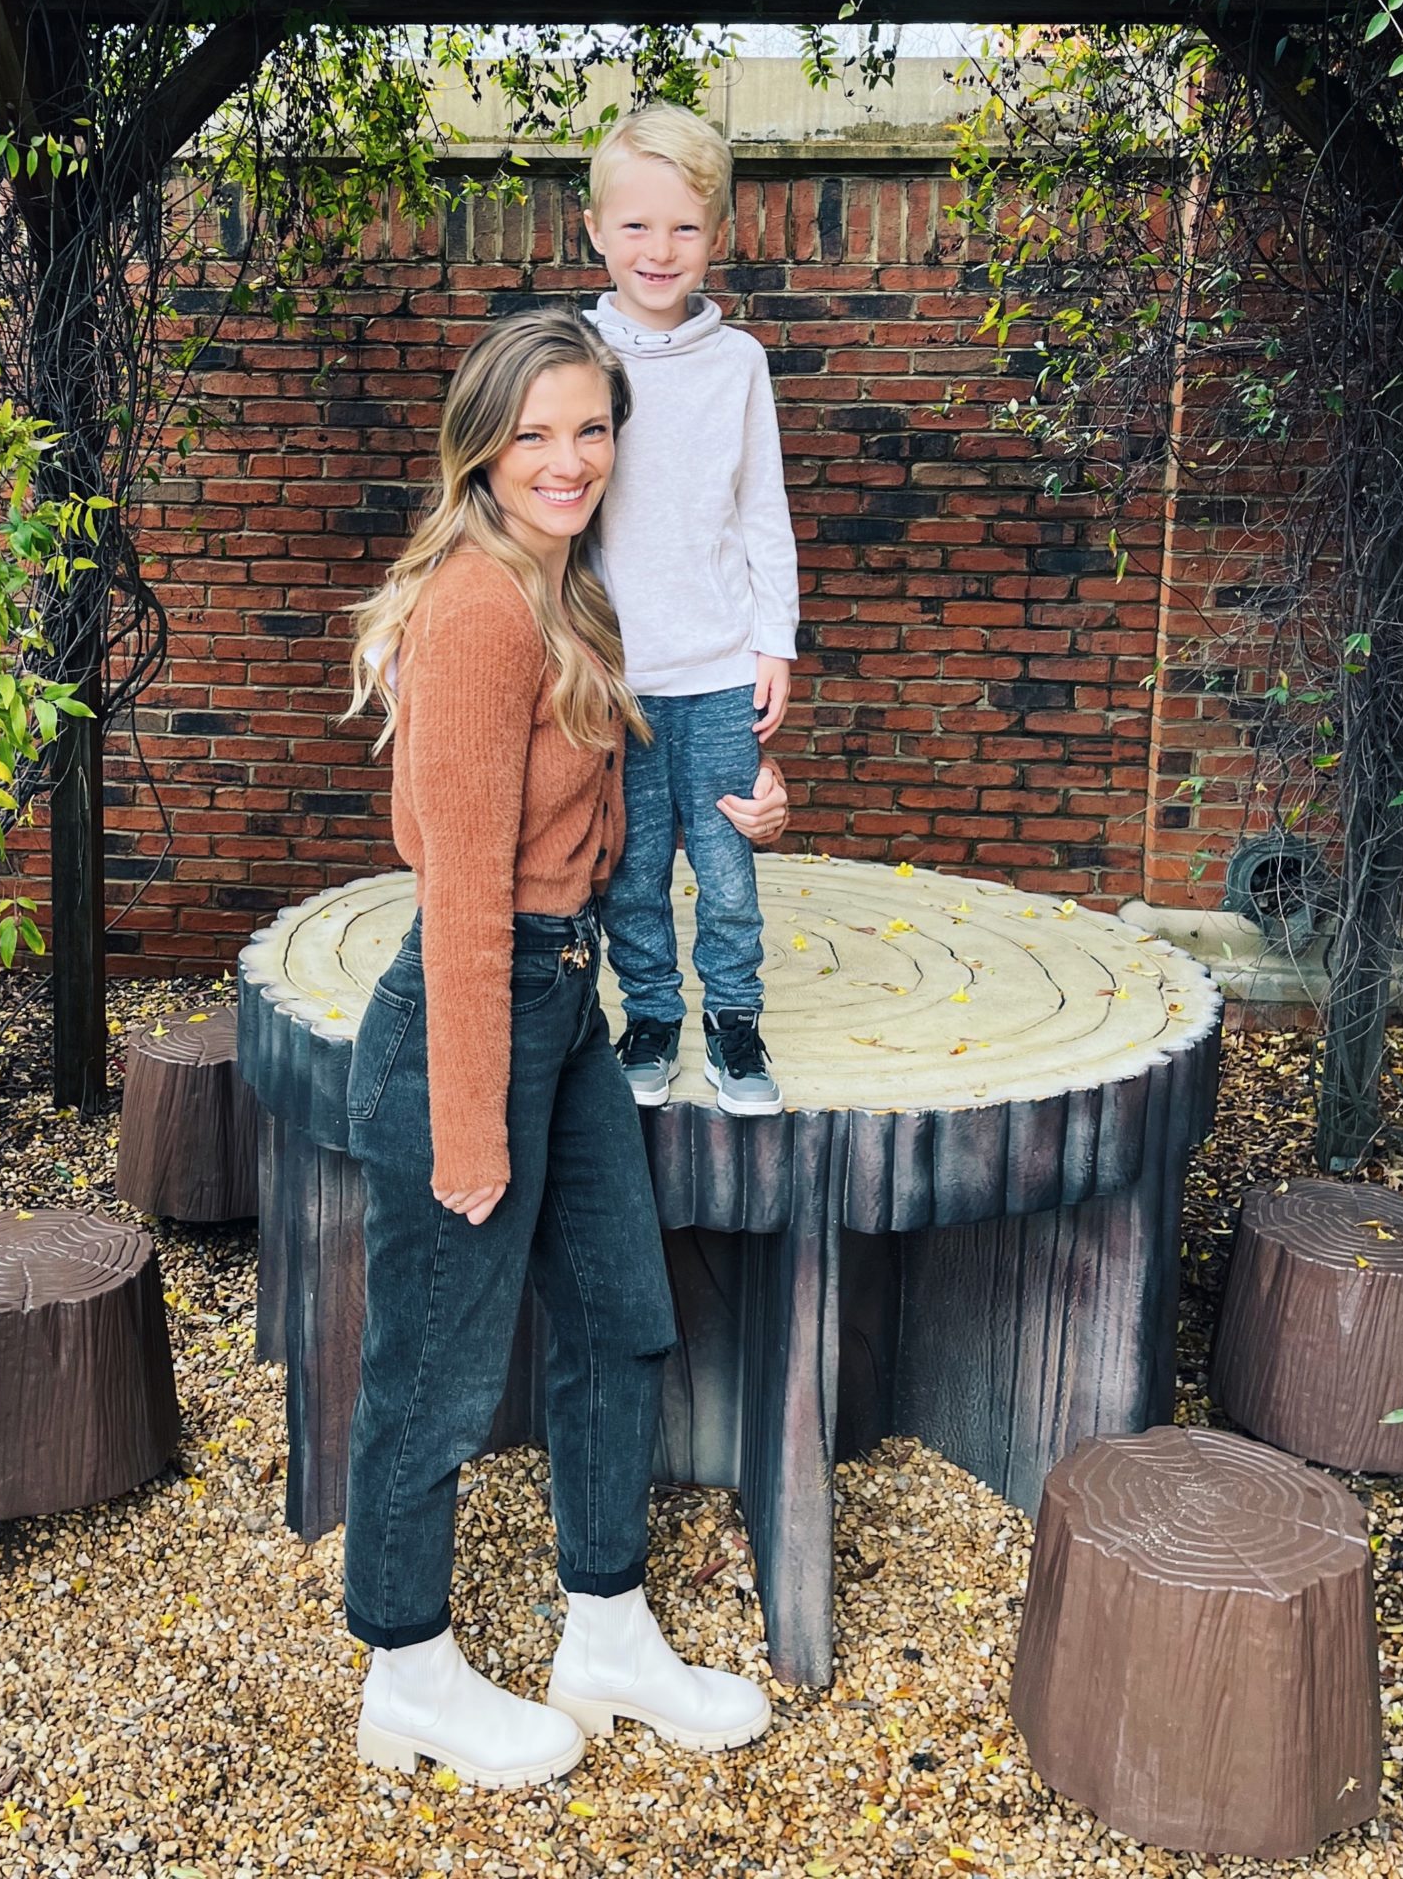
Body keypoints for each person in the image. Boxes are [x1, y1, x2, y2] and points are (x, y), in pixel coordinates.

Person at [340, 309, 787, 1790]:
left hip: (563, 1005)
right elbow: (464, 890)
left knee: (619, 1318)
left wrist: (747, 806)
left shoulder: (564, 588)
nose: (568, 458)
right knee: (434, 1370)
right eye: (534, 432)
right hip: (466, 1023)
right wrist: (472, 1123)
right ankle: (407, 1672)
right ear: (481, 445)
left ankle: (606, 1632)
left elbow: (603, 813)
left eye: (590, 428)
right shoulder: (478, 605)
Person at [583, 101, 801, 1118]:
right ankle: (650, 1019)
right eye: (635, 224)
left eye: (682, 227)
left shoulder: (738, 363)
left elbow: (762, 510)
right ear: (595, 230)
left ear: (716, 234)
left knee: (726, 869)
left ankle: (734, 1023)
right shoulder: (573, 354)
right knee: (629, 873)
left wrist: (773, 642)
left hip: (718, 671)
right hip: (611, 675)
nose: (658, 249)